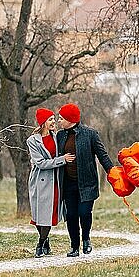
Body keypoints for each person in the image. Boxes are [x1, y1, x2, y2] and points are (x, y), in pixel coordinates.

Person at [57, 103, 114, 257]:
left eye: (61, 118)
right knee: (71, 215)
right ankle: (74, 246)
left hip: (87, 182)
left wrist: (112, 172)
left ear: (70, 119)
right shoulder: (60, 136)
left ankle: (86, 239)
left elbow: (102, 155)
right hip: (68, 183)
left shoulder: (90, 134)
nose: (59, 121)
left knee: (84, 212)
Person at [27, 108, 76, 258]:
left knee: (48, 214)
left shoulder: (57, 137)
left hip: (54, 181)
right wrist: (62, 160)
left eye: (54, 119)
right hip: (39, 181)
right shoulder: (32, 141)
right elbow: (40, 163)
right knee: (39, 215)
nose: (54, 122)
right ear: (43, 123)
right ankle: (45, 241)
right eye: (50, 120)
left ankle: (40, 245)